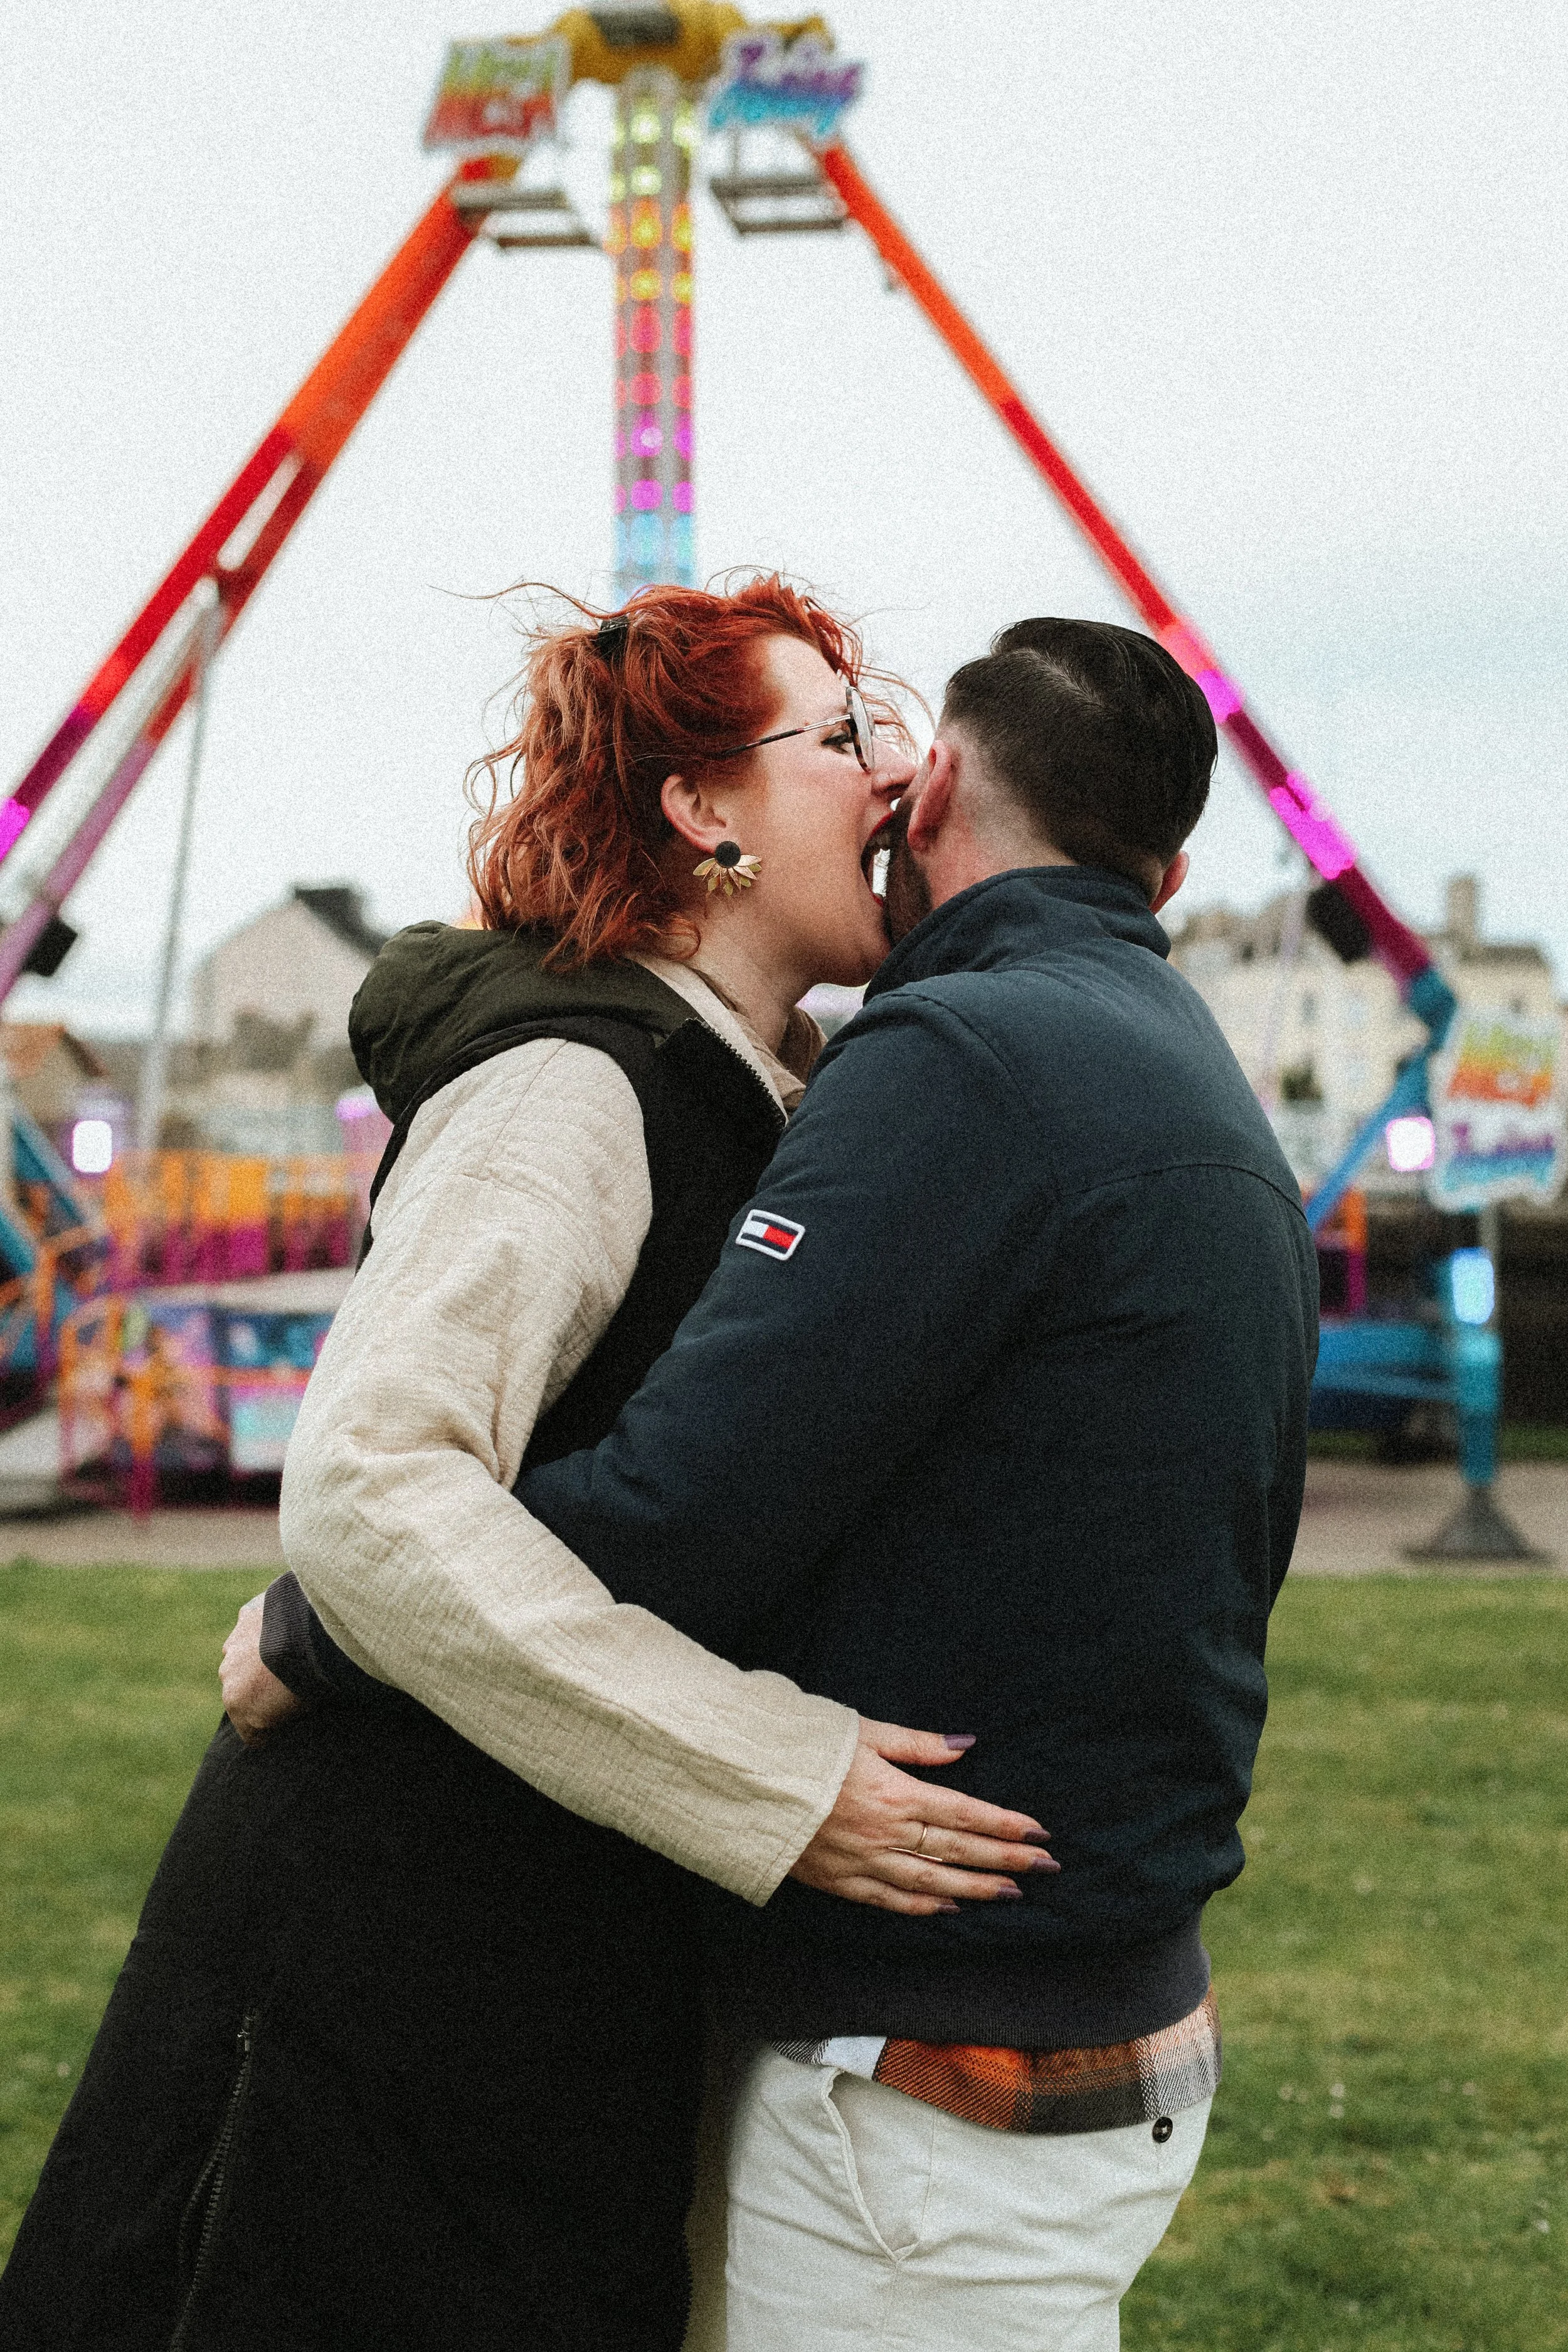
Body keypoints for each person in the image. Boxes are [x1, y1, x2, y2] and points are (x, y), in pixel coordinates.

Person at [0, 580, 1047, 2352]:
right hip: (379, 1993)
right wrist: (779, 1778)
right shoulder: (573, 1086)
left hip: (539, 1969)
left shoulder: (762, 1094)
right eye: (839, 736)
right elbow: (373, 1493)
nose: (891, 782)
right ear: (700, 811)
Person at [510, 617, 1322, 2349]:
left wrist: (348, 1610)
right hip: (1104, 2010)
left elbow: (680, 1509)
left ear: (930, 782)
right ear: (1163, 871)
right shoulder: (1187, 1078)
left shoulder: (962, 1056)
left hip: (934, 2064)